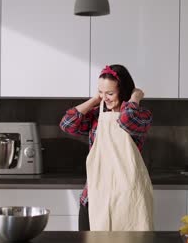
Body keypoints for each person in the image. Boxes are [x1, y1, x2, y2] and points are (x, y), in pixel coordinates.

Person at [59, 64, 153, 231]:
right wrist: (96, 99)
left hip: (128, 200)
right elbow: (67, 124)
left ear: (123, 91)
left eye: (110, 93)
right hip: (94, 198)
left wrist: (134, 98)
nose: (105, 98)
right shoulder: (95, 115)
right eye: (101, 92)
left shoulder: (141, 115)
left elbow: (126, 120)